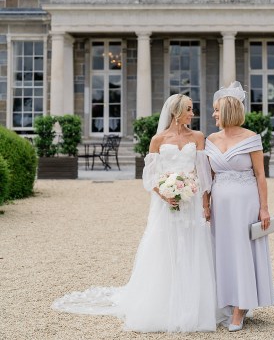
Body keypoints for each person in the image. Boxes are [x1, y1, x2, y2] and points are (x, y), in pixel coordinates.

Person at [52, 94, 217, 333]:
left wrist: (205, 205)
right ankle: (164, 304)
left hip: (191, 204)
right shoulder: (158, 140)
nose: (193, 114)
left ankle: (195, 305)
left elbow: (203, 174)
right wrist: (166, 194)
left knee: (193, 248)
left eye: (193, 110)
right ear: (176, 112)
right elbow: (150, 177)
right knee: (165, 248)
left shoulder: (198, 137)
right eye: (189, 109)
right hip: (167, 204)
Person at [205, 81, 274, 332]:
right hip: (220, 207)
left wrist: (264, 208)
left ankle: (241, 306)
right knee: (222, 250)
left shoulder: (251, 138)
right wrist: (206, 205)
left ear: (226, 111)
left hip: (246, 204)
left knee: (243, 249)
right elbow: (208, 177)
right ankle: (226, 299)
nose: (212, 114)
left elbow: (260, 175)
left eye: (216, 110)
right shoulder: (211, 139)